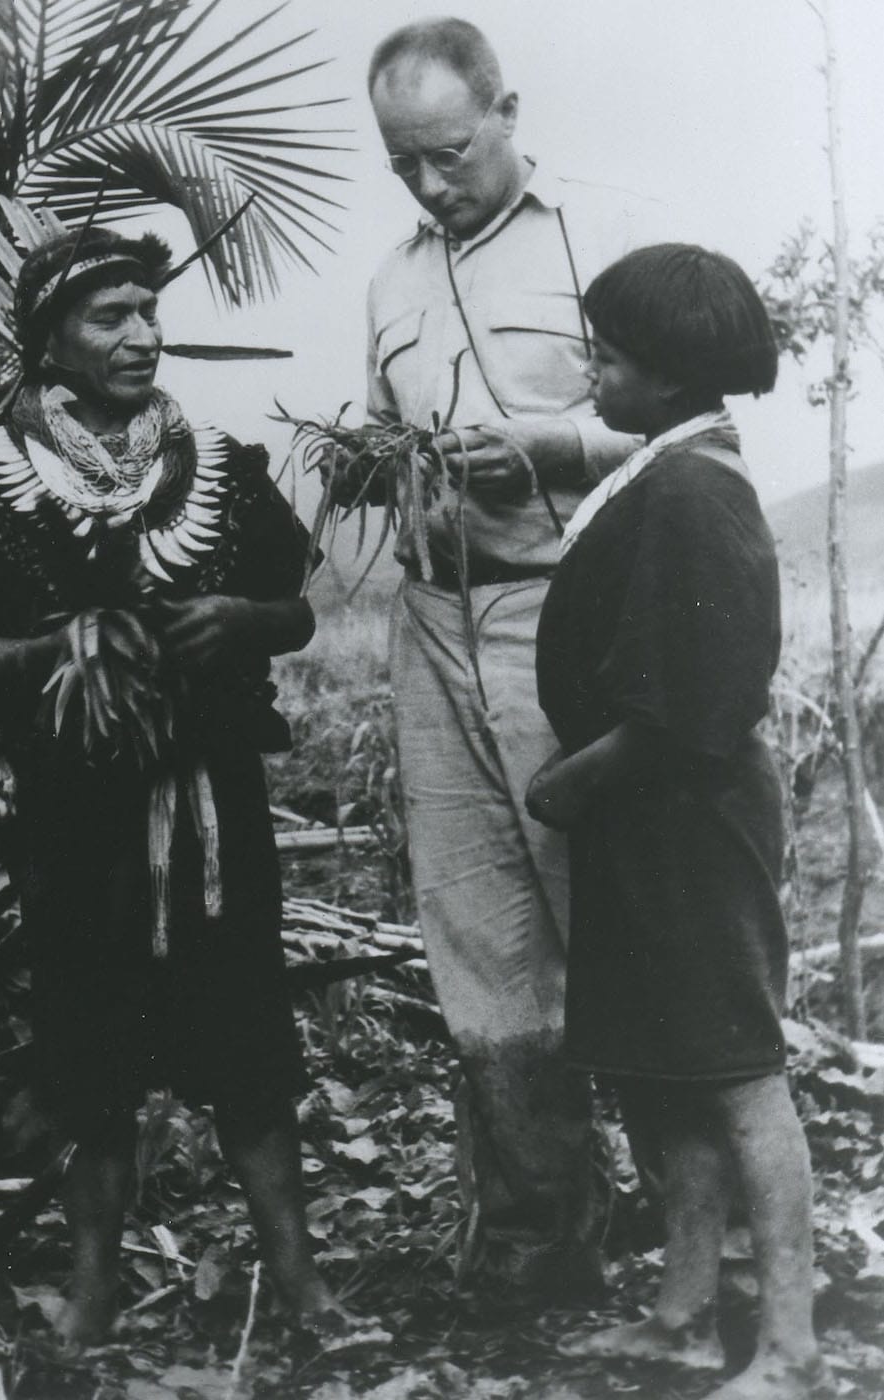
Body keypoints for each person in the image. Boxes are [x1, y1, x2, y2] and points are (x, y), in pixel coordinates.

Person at [0, 227, 347, 1348]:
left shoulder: (220, 469)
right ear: (49, 338)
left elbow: (295, 611)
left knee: (244, 1028)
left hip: (212, 803)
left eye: (149, 310)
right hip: (71, 814)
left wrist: (241, 619)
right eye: (110, 316)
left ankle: (301, 1283)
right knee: (86, 1037)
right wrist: (27, 658)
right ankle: (94, 1287)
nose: (142, 334)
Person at [338, 17, 653, 1282]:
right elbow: (380, 433)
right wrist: (370, 466)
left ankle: (699, 1220)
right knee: (472, 930)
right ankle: (535, 1232)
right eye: (402, 164)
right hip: (432, 618)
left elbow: (695, 431)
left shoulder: (599, 236)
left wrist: (553, 444)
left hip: (562, 613)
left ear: (507, 112)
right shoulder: (390, 281)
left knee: (609, 909)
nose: (428, 184)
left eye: (450, 153)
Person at [527, 244, 825, 1399]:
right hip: (646, 818)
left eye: (606, 358)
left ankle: (791, 1346)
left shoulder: (696, 489)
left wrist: (575, 779)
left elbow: (698, 694)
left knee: (737, 1068)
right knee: (669, 1067)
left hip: (687, 816)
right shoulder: (665, 467)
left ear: (666, 372)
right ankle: (681, 1314)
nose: (591, 374)